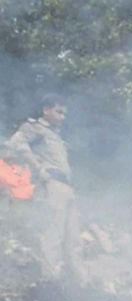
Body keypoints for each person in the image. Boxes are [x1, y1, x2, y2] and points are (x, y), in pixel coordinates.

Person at [5, 94, 88, 284]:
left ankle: (82, 283)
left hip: (66, 188)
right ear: (46, 110)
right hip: (52, 185)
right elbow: (16, 143)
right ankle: (52, 282)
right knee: (53, 233)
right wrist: (39, 169)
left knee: (73, 237)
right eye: (59, 112)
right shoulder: (35, 128)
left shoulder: (54, 135)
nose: (62, 117)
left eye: (64, 113)